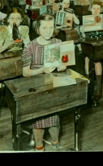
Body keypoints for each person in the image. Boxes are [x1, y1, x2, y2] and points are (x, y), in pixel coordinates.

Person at [22, 14, 68, 151]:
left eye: (51, 27)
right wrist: (42, 69)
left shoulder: (58, 42)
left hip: (53, 86)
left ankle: (55, 144)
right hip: (36, 87)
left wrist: (62, 66)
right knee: (38, 121)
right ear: (37, 28)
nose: (48, 31)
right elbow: (25, 72)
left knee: (54, 120)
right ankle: (39, 147)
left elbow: (65, 62)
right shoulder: (30, 46)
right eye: (44, 28)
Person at [79, 0, 103, 106]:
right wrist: (81, 31)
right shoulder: (87, 19)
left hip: (101, 46)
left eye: (98, 9)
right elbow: (81, 36)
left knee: (97, 60)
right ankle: (88, 81)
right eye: (94, 8)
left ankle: (99, 87)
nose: (96, 11)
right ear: (90, 9)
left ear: (101, 10)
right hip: (89, 45)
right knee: (87, 58)